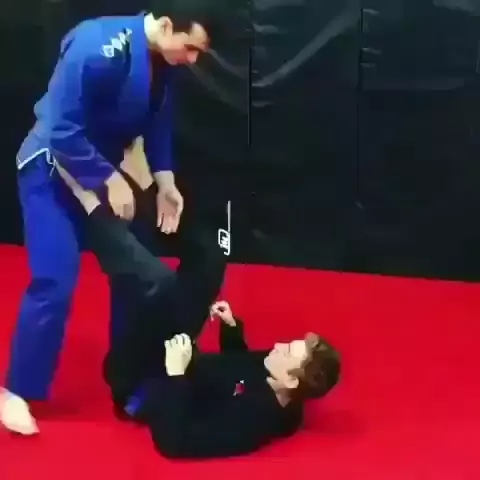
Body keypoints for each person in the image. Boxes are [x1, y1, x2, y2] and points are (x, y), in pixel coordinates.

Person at [0, 7, 217, 435]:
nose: (192, 59)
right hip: (51, 172)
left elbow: (158, 122)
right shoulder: (95, 46)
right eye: (190, 48)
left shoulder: (165, 62)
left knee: (137, 276)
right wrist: (109, 179)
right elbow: (60, 128)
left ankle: (128, 378)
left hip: (101, 175)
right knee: (55, 280)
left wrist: (165, 182)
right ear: (166, 25)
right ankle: (16, 391)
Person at [103, 267, 341, 459]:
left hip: (157, 392)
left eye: (287, 352)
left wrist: (176, 374)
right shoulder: (280, 377)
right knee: (172, 292)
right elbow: (241, 371)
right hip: (188, 368)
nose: (278, 345)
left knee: (141, 302)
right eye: (288, 344)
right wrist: (231, 328)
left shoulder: (251, 421)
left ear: (291, 380)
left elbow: (176, 443)